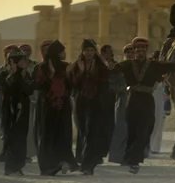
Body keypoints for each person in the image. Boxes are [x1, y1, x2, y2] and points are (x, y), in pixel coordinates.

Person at [107, 37, 175, 174]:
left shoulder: (154, 65)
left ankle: (134, 158)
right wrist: (109, 66)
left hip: (147, 100)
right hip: (132, 100)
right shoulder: (127, 65)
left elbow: (172, 65)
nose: (141, 50)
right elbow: (111, 71)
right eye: (138, 48)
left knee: (145, 130)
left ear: (146, 50)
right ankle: (132, 159)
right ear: (135, 50)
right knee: (132, 131)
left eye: (143, 48)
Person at [34, 40, 79, 176]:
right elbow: (39, 85)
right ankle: (48, 166)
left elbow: (72, 86)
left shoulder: (66, 66)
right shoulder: (43, 67)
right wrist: (53, 74)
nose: (65, 54)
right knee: (48, 135)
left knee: (63, 133)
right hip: (48, 106)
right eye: (62, 51)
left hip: (63, 105)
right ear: (57, 53)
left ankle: (63, 161)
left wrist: (73, 73)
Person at [69, 38, 110, 175]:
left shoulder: (100, 66)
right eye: (87, 50)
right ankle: (82, 159)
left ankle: (88, 165)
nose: (89, 53)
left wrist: (89, 74)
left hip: (96, 102)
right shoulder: (76, 65)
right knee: (83, 131)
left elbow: (104, 82)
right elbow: (73, 83)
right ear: (82, 51)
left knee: (92, 132)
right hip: (80, 101)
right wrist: (81, 72)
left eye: (92, 50)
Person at [0, 46, 34, 176]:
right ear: (13, 61)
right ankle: (10, 168)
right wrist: (13, 73)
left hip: (23, 109)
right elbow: (6, 87)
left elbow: (30, 90)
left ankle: (18, 166)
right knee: (11, 138)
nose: (24, 63)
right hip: (10, 109)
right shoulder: (3, 73)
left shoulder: (25, 74)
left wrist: (23, 77)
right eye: (21, 60)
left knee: (21, 138)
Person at [107, 43, 132, 165]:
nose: (130, 54)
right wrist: (121, 89)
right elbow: (111, 84)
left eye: (132, 52)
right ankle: (117, 156)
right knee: (121, 128)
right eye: (127, 52)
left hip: (136, 101)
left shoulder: (138, 67)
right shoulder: (119, 68)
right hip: (122, 100)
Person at [17, 44, 38, 161]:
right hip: (22, 100)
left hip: (34, 99)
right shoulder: (17, 66)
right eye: (23, 50)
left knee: (33, 127)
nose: (26, 52)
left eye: (28, 50)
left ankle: (30, 153)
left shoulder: (35, 65)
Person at [149, 50, 166, 155]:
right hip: (150, 97)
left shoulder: (163, 71)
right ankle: (149, 145)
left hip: (160, 99)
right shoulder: (150, 69)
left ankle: (155, 147)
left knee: (159, 122)